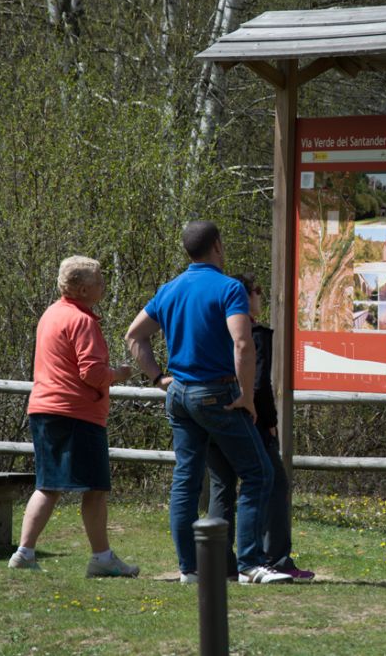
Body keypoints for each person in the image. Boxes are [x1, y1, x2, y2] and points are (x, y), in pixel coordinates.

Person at [125, 220, 292, 585]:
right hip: (215, 392)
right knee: (258, 472)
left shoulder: (169, 290)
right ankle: (249, 563)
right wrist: (247, 397)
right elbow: (243, 344)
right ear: (217, 245)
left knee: (185, 481)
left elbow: (134, 336)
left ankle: (190, 568)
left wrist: (158, 377)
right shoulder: (229, 288)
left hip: (179, 393)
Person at [9, 256, 139, 577]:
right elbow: (92, 373)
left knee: (48, 485)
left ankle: (24, 551)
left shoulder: (50, 315)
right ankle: (102, 558)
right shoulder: (83, 321)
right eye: (99, 280)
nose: (103, 285)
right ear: (82, 288)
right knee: (95, 487)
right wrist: (119, 373)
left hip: (44, 409)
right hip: (76, 414)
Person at [206, 274, 315, 581]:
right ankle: (274, 559)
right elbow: (259, 384)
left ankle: (218, 563)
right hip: (250, 420)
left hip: (213, 414)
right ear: (246, 296)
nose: (261, 297)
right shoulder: (253, 334)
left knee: (222, 488)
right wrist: (269, 422)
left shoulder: (215, 332)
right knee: (272, 483)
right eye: (258, 291)